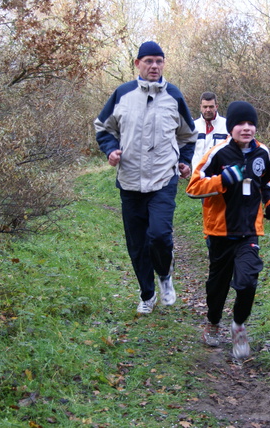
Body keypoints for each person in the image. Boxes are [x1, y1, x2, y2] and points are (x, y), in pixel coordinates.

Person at [94, 41, 197, 314]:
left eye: (159, 61)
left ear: (164, 64)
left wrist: (185, 162)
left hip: (163, 178)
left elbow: (188, 135)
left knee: (160, 235)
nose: (154, 66)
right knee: (137, 244)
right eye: (149, 61)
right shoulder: (122, 93)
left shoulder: (174, 95)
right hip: (129, 180)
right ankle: (147, 294)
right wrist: (110, 150)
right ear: (137, 64)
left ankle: (164, 274)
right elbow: (103, 127)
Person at [185, 101, 270, 359]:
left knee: (248, 280)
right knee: (218, 286)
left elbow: (267, 181)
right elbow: (193, 187)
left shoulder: (263, 153)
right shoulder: (218, 154)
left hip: (249, 231)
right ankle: (213, 323)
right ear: (231, 127)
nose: (247, 128)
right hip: (219, 232)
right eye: (241, 124)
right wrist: (222, 180)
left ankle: (239, 326)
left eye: (251, 124)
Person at [191, 92, 228, 172]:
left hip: (220, 176)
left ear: (216, 107)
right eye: (205, 107)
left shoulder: (227, 125)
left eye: (211, 107)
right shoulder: (193, 126)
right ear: (200, 107)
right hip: (198, 175)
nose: (208, 110)